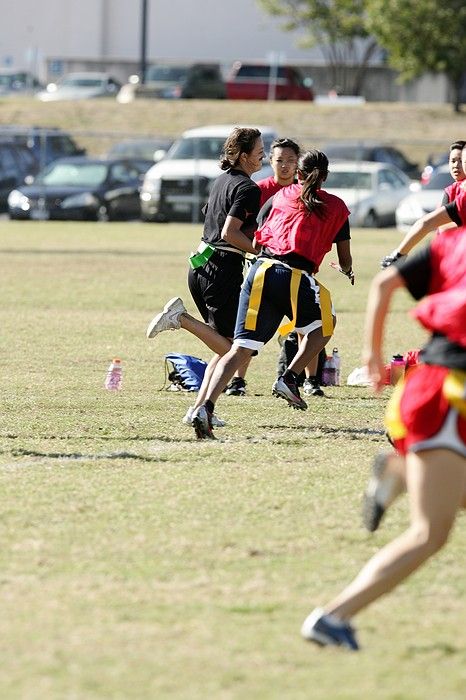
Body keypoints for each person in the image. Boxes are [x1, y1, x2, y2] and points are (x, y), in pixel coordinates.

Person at [301, 190, 466, 651]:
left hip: (432, 387)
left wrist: (373, 354)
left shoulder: (452, 243)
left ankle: (398, 475)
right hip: (450, 395)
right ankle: (333, 616)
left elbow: (383, 284)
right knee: (429, 533)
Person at [190, 148, 354, 440]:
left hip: (260, 268)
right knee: (325, 324)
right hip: (291, 274)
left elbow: (257, 234)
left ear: (298, 174)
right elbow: (344, 257)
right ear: (325, 177)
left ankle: (205, 408)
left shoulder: (280, 195)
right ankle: (290, 378)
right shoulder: (337, 206)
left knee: (239, 347)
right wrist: (346, 269)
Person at [146, 127, 264, 426]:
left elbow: (211, 216)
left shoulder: (222, 180)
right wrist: (260, 252)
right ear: (243, 155)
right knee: (237, 350)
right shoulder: (249, 189)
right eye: (259, 150)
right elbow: (229, 232)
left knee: (223, 344)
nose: (262, 154)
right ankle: (180, 319)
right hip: (220, 269)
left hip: (201, 264)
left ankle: (199, 408)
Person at [223, 137, 302, 398]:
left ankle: (309, 380)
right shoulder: (259, 189)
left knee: (306, 321)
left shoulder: (303, 191)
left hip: (295, 266)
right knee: (248, 321)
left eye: (291, 161)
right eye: (280, 160)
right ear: (271, 161)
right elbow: (242, 226)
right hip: (260, 264)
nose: (285, 166)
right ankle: (238, 381)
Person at [381, 139, 466, 268]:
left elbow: (429, 224)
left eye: (462, 161)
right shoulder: (451, 190)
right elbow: (441, 229)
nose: (456, 165)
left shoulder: (462, 195)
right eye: (453, 161)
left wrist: (399, 254)